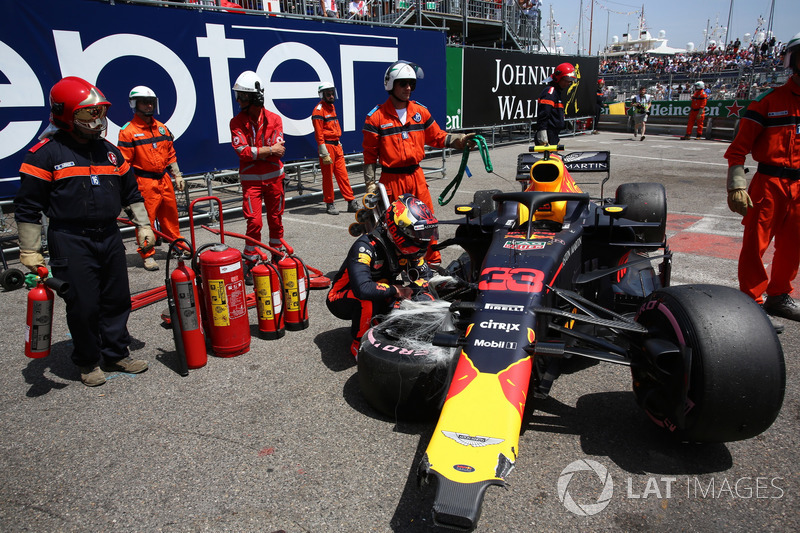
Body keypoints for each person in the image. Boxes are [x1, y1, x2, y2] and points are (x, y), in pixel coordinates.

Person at [14, 77, 154, 387]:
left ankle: (116, 352)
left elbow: (132, 194)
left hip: (109, 235)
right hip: (70, 240)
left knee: (117, 299)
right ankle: (88, 361)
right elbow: (26, 207)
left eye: (99, 114)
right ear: (66, 115)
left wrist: (144, 225)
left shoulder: (111, 153)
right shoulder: (44, 154)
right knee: (84, 304)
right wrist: (29, 250)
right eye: (88, 115)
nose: (97, 121)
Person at [362, 60, 474, 266]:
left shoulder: (420, 112)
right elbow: (369, 156)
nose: (408, 88)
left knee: (427, 222)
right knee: (394, 226)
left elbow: (438, 137)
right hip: (391, 180)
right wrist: (370, 184)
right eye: (403, 83)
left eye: (411, 84)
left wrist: (460, 140)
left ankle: (432, 265)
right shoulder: (375, 118)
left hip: (416, 177)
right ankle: (399, 266)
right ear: (391, 85)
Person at [724, 31, 800, 321]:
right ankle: (751, 303)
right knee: (756, 245)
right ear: (793, 61)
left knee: (793, 246)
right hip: (769, 185)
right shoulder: (767, 102)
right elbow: (737, 150)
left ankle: (779, 296)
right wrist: (736, 186)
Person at [327, 194, 437, 358]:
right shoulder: (365, 246)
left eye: (424, 234)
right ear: (398, 230)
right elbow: (362, 289)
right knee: (367, 300)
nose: (422, 240)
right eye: (416, 234)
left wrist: (420, 293)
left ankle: (384, 329)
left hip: (381, 290)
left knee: (424, 294)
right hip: (342, 297)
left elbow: (427, 278)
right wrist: (396, 290)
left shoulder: (410, 247)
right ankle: (360, 347)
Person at [117, 86, 186, 271]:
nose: (148, 106)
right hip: (144, 182)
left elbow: (170, 153)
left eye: (151, 102)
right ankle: (147, 254)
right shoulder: (128, 131)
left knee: (170, 216)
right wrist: (126, 189)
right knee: (145, 221)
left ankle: (178, 246)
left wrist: (177, 174)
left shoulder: (162, 128)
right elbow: (123, 163)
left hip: (164, 179)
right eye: (144, 102)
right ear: (134, 104)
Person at [230, 70, 286, 283]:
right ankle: (251, 260)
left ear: (253, 97)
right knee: (254, 222)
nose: (238, 100)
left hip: (275, 180)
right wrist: (269, 150)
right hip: (251, 182)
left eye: (241, 96)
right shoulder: (236, 123)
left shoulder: (275, 119)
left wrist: (259, 151)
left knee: (275, 220)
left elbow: (279, 150)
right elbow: (242, 152)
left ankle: (277, 256)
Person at [312, 81, 359, 215]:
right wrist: (322, 149)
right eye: (329, 93)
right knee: (327, 177)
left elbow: (334, 127)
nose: (331, 96)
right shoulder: (319, 110)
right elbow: (318, 132)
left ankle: (350, 201)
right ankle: (329, 203)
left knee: (343, 175)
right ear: (323, 95)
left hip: (336, 145)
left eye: (332, 93)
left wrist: (338, 141)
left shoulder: (331, 107)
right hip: (327, 147)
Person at [535, 62, 576, 146]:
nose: (568, 83)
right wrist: (542, 132)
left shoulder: (556, 93)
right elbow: (544, 113)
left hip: (553, 134)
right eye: (566, 80)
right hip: (547, 133)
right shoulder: (550, 92)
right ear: (559, 78)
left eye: (570, 81)